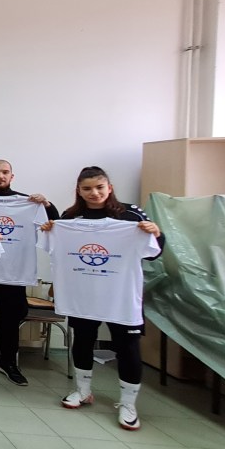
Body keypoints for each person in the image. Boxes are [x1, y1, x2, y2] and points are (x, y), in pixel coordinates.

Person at [41, 166, 163, 431]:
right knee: (83, 340)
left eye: (99, 187)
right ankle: (83, 390)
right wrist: (51, 229)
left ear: (110, 188)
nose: (94, 193)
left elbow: (154, 252)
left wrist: (156, 233)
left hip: (120, 296)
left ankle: (128, 404)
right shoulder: (69, 218)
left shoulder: (130, 215)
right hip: (83, 294)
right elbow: (54, 247)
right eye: (87, 188)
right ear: (79, 190)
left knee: (128, 347)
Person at [0, 160, 60, 385]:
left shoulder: (28, 203)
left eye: (4, 172)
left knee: (11, 318)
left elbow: (54, 224)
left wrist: (47, 204)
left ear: (12, 176)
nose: (0, 176)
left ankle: (8, 361)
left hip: (15, 272)